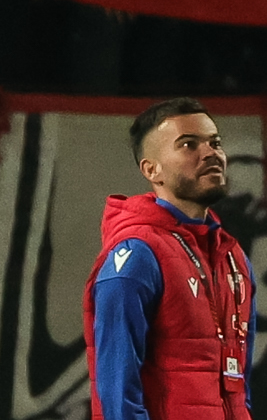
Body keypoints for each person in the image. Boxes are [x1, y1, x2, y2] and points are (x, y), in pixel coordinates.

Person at [86, 102, 250, 420]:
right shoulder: (136, 256)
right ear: (151, 170)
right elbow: (117, 396)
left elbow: (238, 384)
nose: (210, 153)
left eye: (215, 142)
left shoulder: (232, 257)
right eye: (189, 144)